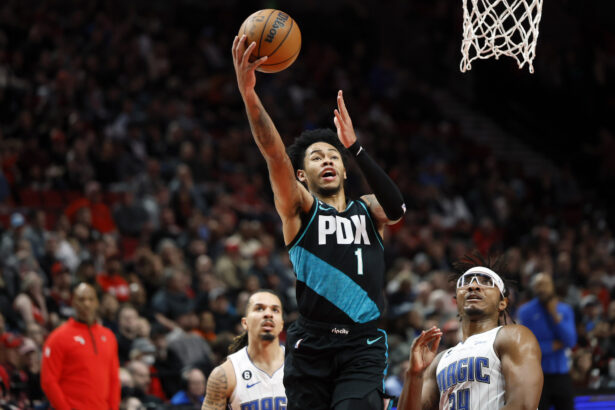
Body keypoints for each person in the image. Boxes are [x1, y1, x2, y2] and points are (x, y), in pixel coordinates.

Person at [231, 34, 405, 410]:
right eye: (315, 157)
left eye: (333, 156)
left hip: (362, 343)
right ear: (302, 176)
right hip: (311, 344)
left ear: (344, 170)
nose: (326, 159)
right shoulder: (300, 210)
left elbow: (397, 209)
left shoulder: (367, 209)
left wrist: (355, 147)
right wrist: (249, 95)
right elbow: (275, 155)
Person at [397, 253, 543, 410]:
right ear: (456, 301)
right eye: (465, 282)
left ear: (502, 303)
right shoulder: (440, 360)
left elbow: (523, 405)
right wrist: (414, 374)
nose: (473, 286)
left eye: (487, 282)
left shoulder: (513, 336)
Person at [201, 290, 286, 410]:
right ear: (245, 323)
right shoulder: (225, 374)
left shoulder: (299, 364)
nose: (268, 314)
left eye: (275, 310)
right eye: (259, 309)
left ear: (281, 324)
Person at [41, 283, 120, 410]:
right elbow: (48, 381)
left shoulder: (109, 337)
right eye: (81, 299)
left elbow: (114, 379)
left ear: (97, 303)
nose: (86, 304)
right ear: (73, 302)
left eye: (91, 299)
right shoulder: (57, 338)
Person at [518, 273, 577, 410]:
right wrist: (552, 345)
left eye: (546, 284)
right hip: (537, 376)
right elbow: (526, 346)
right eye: (539, 285)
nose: (543, 288)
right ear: (533, 288)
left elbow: (571, 341)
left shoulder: (565, 310)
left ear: (552, 287)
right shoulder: (525, 312)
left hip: (561, 373)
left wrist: (555, 315)